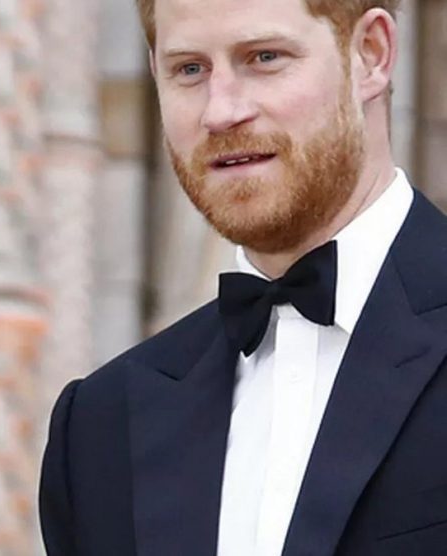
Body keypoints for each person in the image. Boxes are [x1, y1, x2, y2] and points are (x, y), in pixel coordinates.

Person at [40, 0, 447, 554]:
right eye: (189, 69)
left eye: (264, 57)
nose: (221, 111)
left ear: (370, 54)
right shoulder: (99, 425)